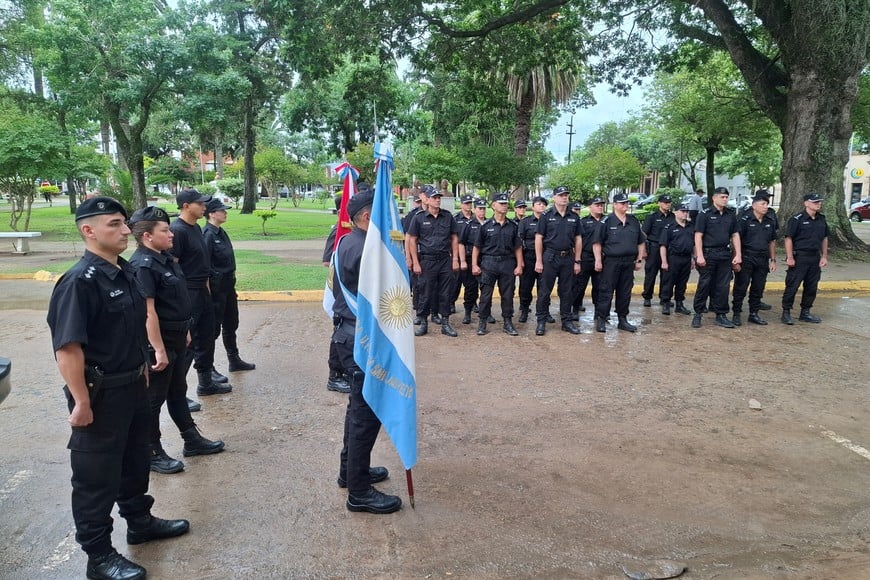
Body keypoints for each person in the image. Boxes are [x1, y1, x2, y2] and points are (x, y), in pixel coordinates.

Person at [47, 197, 189, 580]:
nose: (126, 230)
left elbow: (132, 329)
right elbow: (68, 348)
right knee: (96, 477)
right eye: (115, 224)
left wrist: (142, 367)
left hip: (133, 385)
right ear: (88, 231)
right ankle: (99, 556)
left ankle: (139, 522)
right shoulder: (79, 281)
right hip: (101, 394)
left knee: (134, 461)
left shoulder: (123, 271)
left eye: (125, 223)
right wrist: (81, 401)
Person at [128, 207, 225, 475]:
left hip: (177, 337)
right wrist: (158, 349)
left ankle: (191, 439)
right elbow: (149, 312)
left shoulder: (164, 259)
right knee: (153, 400)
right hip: (160, 343)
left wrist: (185, 331)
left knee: (177, 392)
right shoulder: (143, 265)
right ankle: (151, 451)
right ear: (147, 236)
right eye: (165, 231)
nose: (171, 234)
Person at [332, 190, 401, 514]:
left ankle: (351, 472)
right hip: (362, 341)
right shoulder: (366, 249)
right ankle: (359, 491)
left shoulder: (348, 241)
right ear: (364, 216)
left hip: (348, 336)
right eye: (379, 211)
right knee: (365, 417)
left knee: (357, 411)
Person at [169, 188, 232, 397]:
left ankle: (205, 383)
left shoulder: (195, 228)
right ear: (186, 206)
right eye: (200, 203)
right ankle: (179, 393)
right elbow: (174, 267)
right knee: (187, 344)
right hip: (188, 293)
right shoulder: (177, 231)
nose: (204, 207)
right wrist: (182, 299)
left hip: (203, 292)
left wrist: (207, 291)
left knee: (205, 338)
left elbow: (202, 264)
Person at [203, 197, 255, 372]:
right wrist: (209, 292)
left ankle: (234, 359)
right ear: (211, 214)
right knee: (213, 330)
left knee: (231, 324)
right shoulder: (208, 235)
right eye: (221, 210)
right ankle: (208, 368)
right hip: (216, 289)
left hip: (227, 287)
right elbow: (205, 266)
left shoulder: (220, 232)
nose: (225, 212)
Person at [407, 185, 461, 337]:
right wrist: (415, 262)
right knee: (425, 292)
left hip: (444, 260)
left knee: (445, 292)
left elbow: (454, 238)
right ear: (428, 200)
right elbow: (412, 240)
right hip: (427, 260)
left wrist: (455, 259)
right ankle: (423, 322)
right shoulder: (419, 218)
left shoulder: (448, 216)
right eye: (435, 198)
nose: (437, 200)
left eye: (439, 198)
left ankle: (445, 322)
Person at [592, 192, 646, 333]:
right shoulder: (607, 221)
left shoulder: (633, 221)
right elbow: (597, 243)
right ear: (614, 205)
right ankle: (602, 319)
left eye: (627, 203)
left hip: (628, 263)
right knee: (606, 291)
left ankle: (622, 320)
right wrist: (598, 260)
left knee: (625, 292)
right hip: (611, 262)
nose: (625, 205)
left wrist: (639, 260)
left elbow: (641, 242)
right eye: (622, 203)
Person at [472, 192, 523, 336]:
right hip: (489, 263)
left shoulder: (512, 226)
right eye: (501, 203)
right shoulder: (485, 226)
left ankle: (508, 322)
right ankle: (482, 322)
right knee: (486, 295)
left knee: (507, 295)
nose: (505, 206)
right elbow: (477, 247)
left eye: (506, 203)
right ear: (493, 206)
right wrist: (474, 265)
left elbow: (518, 247)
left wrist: (519, 265)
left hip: (507, 263)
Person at [534, 186, 582, 335]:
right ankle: (541, 321)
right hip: (550, 257)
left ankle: (566, 322)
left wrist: (577, 260)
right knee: (544, 291)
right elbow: (539, 238)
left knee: (566, 291)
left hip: (567, 257)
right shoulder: (546, 215)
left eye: (566, 195)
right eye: (561, 195)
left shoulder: (574, 217)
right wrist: (539, 260)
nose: (564, 197)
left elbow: (578, 239)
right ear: (554, 197)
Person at [692, 187, 742, 328]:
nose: (725, 199)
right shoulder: (705, 214)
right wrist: (699, 255)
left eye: (726, 197)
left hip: (724, 255)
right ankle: (698, 314)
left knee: (723, 286)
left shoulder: (730, 215)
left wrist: (738, 254)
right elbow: (698, 235)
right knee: (704, 285)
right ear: (714, 198)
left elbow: (735, 235)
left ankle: (721, 315)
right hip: (708, 254)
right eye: (722, 197)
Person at [781, 192, 829, 325]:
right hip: (800, 256)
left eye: (819, 202)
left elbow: (825, 238)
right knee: (792, 285)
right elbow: (788, 238)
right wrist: (790, 257)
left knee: (812, 286)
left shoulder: (821, 219)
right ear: (806, 203)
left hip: (814, 257)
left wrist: (824, 256)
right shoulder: (797, 219)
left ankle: (805, 312)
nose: (818, 204)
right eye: (815, 202)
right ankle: (786, 312)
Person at [731, 190, 778, 325]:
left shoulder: (770, 220)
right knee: (741, 286)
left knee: (758, 287)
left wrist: (773, 260)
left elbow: (772, 242)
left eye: (767, 204)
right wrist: (735, 259)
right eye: (763, 204)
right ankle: (736, 312)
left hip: (762, 258)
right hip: (746, 257)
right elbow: (736, 239)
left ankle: (754, 313)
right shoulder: (744, 219)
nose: (766, 206)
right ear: (754, 205)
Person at [571, 196, 606, 318]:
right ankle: (575, 309)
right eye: (597, 205)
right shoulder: (583, 222)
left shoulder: (607, 221)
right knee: (579, 285)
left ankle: (599, 312)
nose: (600, 207)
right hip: (585, 257)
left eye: (601, 205)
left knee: (600, 287)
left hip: (603, 258)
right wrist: (577, 259)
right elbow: (577, 241)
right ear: (590, 206)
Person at [516, 196, 549, 324]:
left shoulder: (549, 221)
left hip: (546, 257)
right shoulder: (525, 222)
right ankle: (524, 310)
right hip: (529, 257)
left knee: (544, 287)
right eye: (538, 204)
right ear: (533, 206)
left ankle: (544, 312)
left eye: (543, 204)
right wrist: (521, 261)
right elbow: (519, 241)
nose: (541, 206)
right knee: (526, 286)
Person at [659, 203, 695, 315]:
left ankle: (679, 304)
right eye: (682, 211)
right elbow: (663, 245)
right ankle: (666, 303)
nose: (685, 213)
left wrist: (693, 258)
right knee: (668, 282)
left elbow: (693, 244)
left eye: (686, 211)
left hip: (686, 258)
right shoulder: (670, 227)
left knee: (682, 283)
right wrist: (664, 261)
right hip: (673, 258)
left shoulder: (691, 226)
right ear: (675, 212)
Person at [641, 194, 674, 308]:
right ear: (659, 203)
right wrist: (643, 250)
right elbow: (644, 234)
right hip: (654, 248)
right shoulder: (652, 217)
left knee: (667, 275)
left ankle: (664, 298)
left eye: (669, 203)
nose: (667, 204)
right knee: (651, 274)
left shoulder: (673, 217)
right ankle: (647, 297)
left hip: (668, 249)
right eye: (665, 202)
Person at [455, 195, 483, 324]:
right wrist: (462, 260)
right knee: (469, 287)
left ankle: (484, 312)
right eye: (480, 208)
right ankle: (467, 312)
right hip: (468, 257)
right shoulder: (467, 224)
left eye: (484, 208)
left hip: (485, 259)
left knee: (485, 287)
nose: (482, 211)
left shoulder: (488, 223)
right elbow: (460, 242)